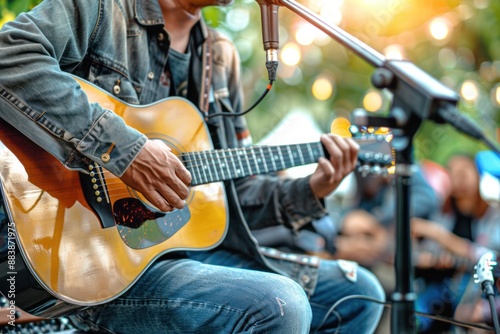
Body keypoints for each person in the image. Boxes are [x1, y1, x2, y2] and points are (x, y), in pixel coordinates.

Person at [0, 0, 385, 333]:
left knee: (360, 295)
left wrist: (312, 190)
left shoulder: (221, 57)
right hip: (95, 266)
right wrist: (125, 151)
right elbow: (9, 55)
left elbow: (238, 196)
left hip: (181, 255)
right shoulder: (103, 8)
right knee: (280, 304)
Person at [411, 154, 500, 333]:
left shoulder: (493, 216)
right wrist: (431, 259)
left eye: (464, 173)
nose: (459, 180)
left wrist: (440, 236)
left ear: (478, 175)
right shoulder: (444, 213)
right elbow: (424, 250)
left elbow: (489, 257)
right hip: (439, 287)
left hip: (476, 291)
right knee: (417, 314)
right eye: (453, 174)